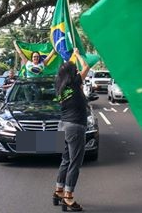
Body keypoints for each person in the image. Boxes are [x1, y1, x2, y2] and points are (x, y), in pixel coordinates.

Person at [53, 48, 90, 212]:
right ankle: (68, 197)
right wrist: (78, 54)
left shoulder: (60, 86)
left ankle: (58, 191)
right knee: (75, 162)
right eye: (74, 71)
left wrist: (72, 57)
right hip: (75, 127)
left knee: (66, 160)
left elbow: (71, 69)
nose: (77, 72)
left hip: (64, 125)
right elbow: (86, 67)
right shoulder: (74, 83)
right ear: (72, 74)